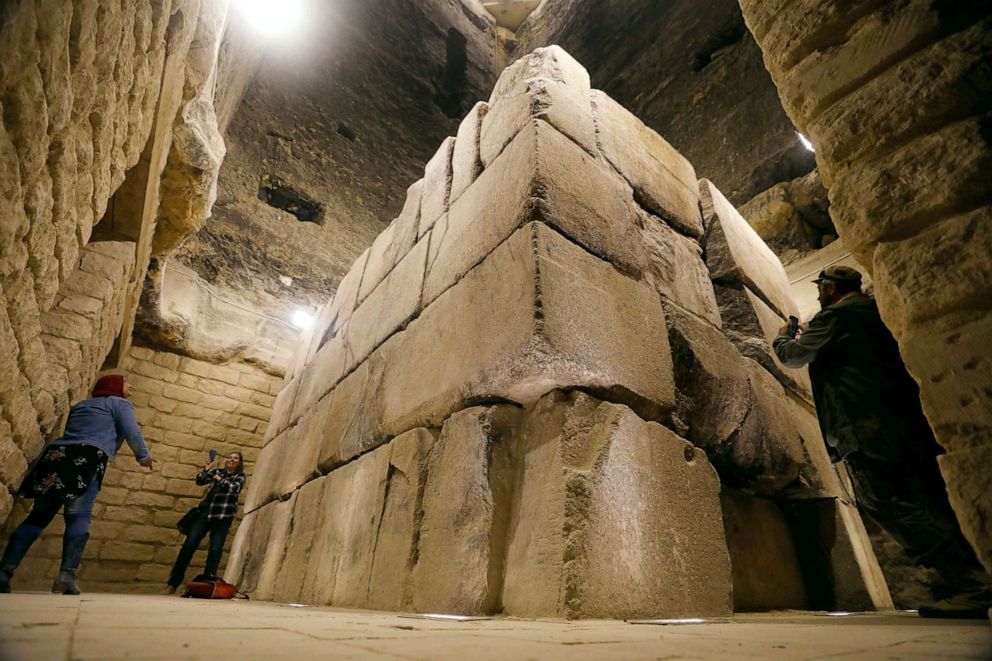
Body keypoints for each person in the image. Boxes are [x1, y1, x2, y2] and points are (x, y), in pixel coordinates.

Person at [772, 264, 991, 618]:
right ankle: (972, 578)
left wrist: (784, 336)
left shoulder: (839, 316)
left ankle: (972, 582)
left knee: (886, 501)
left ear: (830, 288)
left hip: (865, 426)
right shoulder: (872, 310)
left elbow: (793, 356)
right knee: (925, 500)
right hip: (898, 422)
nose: (817, 293)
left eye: (821, 287)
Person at [0, 374, 155, 594]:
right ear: (115, 386)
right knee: (79, 517)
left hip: (58, 456)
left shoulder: (81, 405)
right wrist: (144, 456)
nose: (131, 385)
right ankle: (66, 577)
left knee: (37, 517)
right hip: (87, 458)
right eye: (126, 382)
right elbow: (132, 431)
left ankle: (4, 572)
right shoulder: (119, 403)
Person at [166, 451, 246, 593]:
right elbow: (200, 481)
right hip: (205, 514)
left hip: (223, 517)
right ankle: (173, 583)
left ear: (239, 463)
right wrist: (206, 469)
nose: (232, 460)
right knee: (189, 545)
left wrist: (219, 479)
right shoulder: (218, 471)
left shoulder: (240, 476)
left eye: (235, 458)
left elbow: (234, 488)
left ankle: (208, 585)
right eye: (230, 457)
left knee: (215, 550)